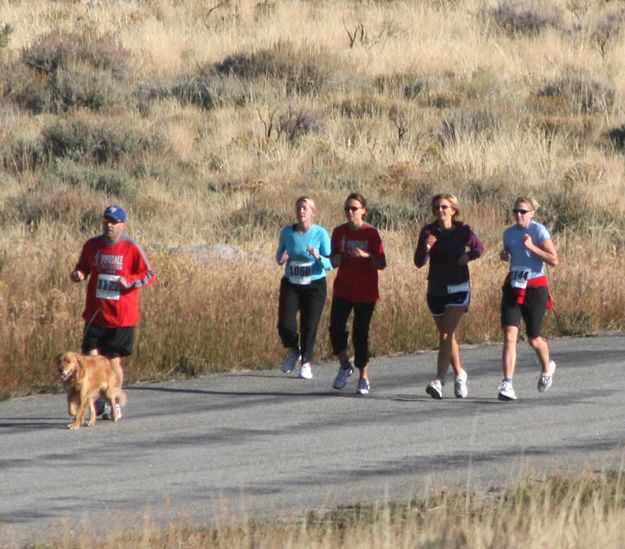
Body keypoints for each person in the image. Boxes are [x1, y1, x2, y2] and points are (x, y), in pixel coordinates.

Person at [71, 205, 155, 419]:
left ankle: (113, 401)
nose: (109, 225)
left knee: (113, 361)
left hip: (121, 316)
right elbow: (84, 266)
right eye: (106, 221)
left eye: (114, 222)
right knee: (90, 359)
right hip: (95, 313)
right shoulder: (92, 245)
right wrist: (79, 274)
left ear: (122, 225)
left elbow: (148, 274)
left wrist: (130, 281)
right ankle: (96, 401)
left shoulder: (131, 248)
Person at [414, 194, 484, 400]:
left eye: (444, 207)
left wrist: (468, 256)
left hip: (459, 288)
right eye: (436, 207)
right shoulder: (428, 231)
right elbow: (418, 262)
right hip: (436, 289)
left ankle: (439, 380)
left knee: (445, 334)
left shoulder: (463, 231)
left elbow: (479, 248)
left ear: (453, 210)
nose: (440, 210)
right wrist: (427, 247)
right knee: (448, 335)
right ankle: (460, 374)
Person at [498, 197, 558, 401]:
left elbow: (554, 260)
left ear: (532, 213)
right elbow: (511, 254)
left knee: (533, 338)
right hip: (514, 285)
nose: (518, 215)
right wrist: (505, 255)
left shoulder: (539, 231)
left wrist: (532, 247)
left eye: (523, 211)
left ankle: (547, 368)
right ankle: (507, 384)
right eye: (516, 211)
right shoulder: (509, 233)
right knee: (509, 335)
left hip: (535, 287)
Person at [330, 193, 386, 395]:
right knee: (336, 329)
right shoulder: (338, 232)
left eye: (354, 208)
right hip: (343, 288)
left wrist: (366, 256)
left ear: (364, 210)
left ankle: (364, 377)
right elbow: (333, 260)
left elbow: (381, 263)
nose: (350, 212)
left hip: (366, 291)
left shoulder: (371, 234)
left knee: (360, 335)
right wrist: (335, 259)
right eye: (347, 208)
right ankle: (345, 365)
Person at [276, 196, 332, 380]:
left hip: (314, 285)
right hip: (291, 283)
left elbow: (330, 263)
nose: (301, 211)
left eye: (304, 208)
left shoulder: (320, 234)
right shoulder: (287, 232)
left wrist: (317, 256)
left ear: (312, 213)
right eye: (298, 208)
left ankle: (306, 363)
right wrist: (282, 259)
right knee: (285, 323)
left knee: (309, 325)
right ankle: (294, 350)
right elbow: (279, 256)